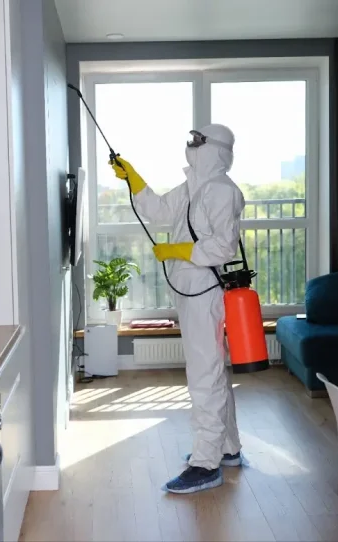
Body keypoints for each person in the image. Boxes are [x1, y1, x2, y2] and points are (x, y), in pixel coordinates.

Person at [109, 124, 245, 494]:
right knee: (212, 369)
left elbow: (222, 248)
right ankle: (227, 448)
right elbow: (159, 213)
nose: (191, 146)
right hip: (190, 289)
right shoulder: (192, 187)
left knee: (205, 374)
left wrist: (175, 251)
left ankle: (205, 463)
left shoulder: (221, 191)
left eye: (198, 141)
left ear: (215, 149)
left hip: (206, 290)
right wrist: (133, 177)